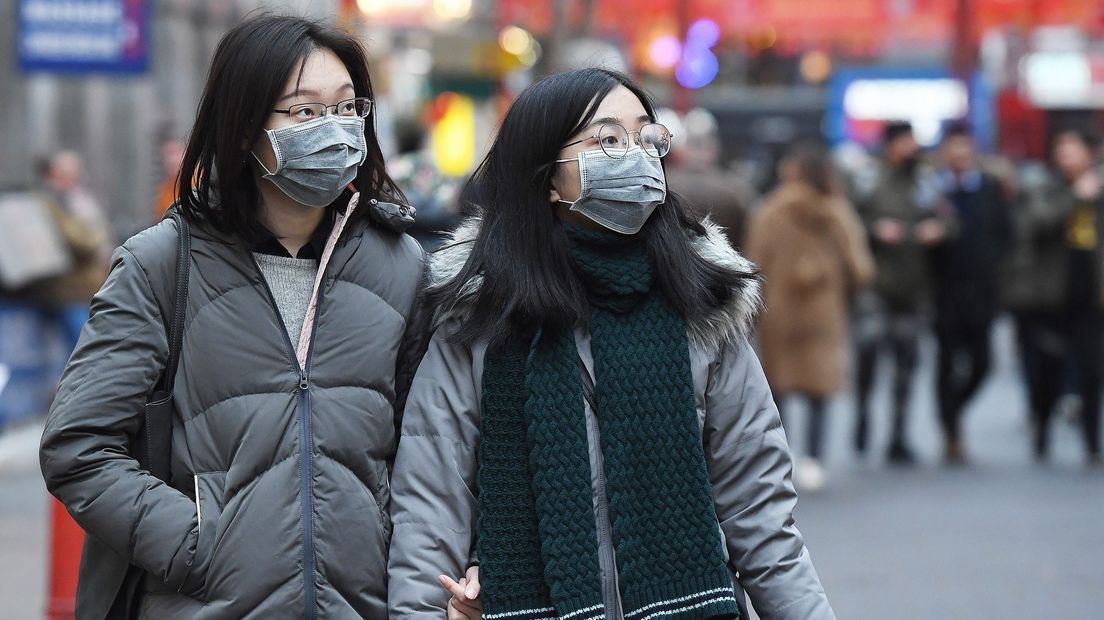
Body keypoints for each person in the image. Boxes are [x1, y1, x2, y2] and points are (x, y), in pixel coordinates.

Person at [388, 68, 834, 620]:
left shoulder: (700, 307)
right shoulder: (479, 320)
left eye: (647, 137)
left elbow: (762, 517)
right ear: (548, 175)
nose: (637, 156)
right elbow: (429, 513)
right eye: (607, 140)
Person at [40, 15, 427, 619]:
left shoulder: (401, 267)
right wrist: (198, 542)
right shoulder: (161, 265)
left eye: (348, 107)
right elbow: (78, 445)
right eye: (303, 111)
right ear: (245, 125)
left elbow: (428, 450)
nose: (334, 129)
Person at [746, 143, 874, 491]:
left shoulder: (770, 210)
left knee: (779, 389)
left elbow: (754, 262)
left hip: (780, 312)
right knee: (819, 388)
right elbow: (860, 268)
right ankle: (815, 460)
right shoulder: (837, 212)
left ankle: (780, 459)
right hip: (823, 311)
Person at [854, 121, 956, 464]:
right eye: (905, 142)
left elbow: (952, 220)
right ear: (890, 145)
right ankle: (863, 412)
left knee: (907, 364)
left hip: (914, 289)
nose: (912, 148)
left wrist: (938, 229)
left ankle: (898, 435)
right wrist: (874, 230)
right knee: (868, 353)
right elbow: (848, 221)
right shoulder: (870, 179)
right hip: (877, 286)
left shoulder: (925, 180)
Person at [1013, 130, 1103, 465]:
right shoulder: (1045, 188)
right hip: (1052, 295)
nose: (1067, 158)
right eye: (1061, 152)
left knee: (1092, 370)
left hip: (1091, 294)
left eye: (1073, 151)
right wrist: (1076, 198)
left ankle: (1092, 443)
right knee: (1048, 370)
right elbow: (1038, 224)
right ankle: (1042, 432)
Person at [931, 125, 1012, 464]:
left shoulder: (990, 189)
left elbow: (1007, 234)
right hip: (944, 291)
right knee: (946, 364)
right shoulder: (934, 191)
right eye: (954, 148)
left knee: (983, 364)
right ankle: (951, 431)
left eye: (965, 148)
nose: (960, 155)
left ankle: (952, 413)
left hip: (981, 292)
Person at [27, 150, 113, 350]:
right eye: (66, 172)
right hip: (69, 290)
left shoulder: (77, 198)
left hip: (88, 288)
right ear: (54, 173)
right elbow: (82, 242)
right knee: (81, 349)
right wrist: (97, 235)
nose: (73, 177)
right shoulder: (49, 201)